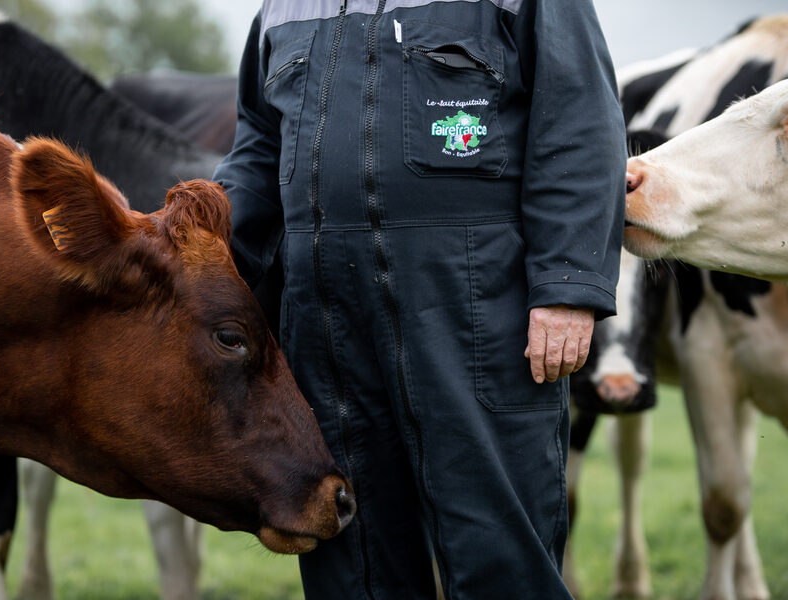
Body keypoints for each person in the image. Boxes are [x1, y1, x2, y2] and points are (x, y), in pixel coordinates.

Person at [214, 0, 626, 598]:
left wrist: (568, 285)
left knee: (498, 555)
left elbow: (581, 120)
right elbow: (257, 145)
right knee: (352, 562)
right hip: (322, 321)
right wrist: (206, 260)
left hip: (477, 314)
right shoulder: (282, 7)